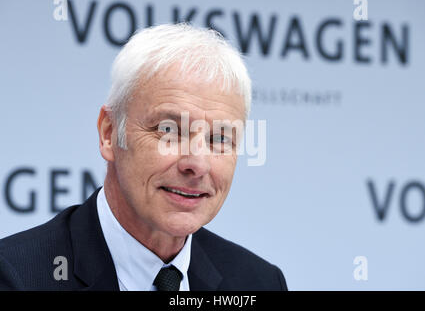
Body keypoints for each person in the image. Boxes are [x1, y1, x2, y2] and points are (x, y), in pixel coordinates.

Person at [0, 23, 288, 291]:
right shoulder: (16, 277)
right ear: (109, 133)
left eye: (219, 138)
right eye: (169, 130)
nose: (198, 164)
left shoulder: (259, 282)